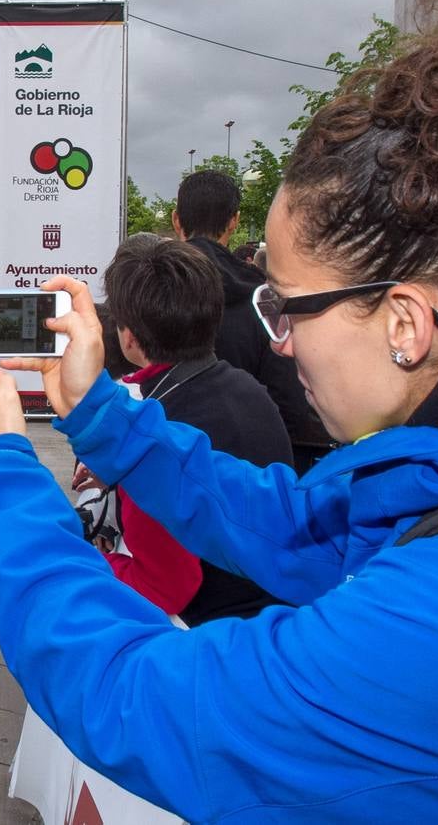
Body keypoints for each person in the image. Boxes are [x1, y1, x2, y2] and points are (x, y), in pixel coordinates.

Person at [0, 0, 438, 821]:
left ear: (405, 323)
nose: (277, 338)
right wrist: (92, 408)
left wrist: (1, 466)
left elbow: (150, 706)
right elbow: (295, 526)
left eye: (288, 305)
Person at [72, 235, 289, 625]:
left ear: (129, 336)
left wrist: (83, 557)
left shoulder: (149, 426)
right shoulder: (250, 390)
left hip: (205, 634)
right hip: (277, 612)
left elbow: (163, 586)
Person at [172, 169, 334, 473]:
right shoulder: (264, 299)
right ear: (234, 221)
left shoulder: (150, 292)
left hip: (167, 457)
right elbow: (288, 395)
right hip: (253, 467)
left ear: (176, 219)